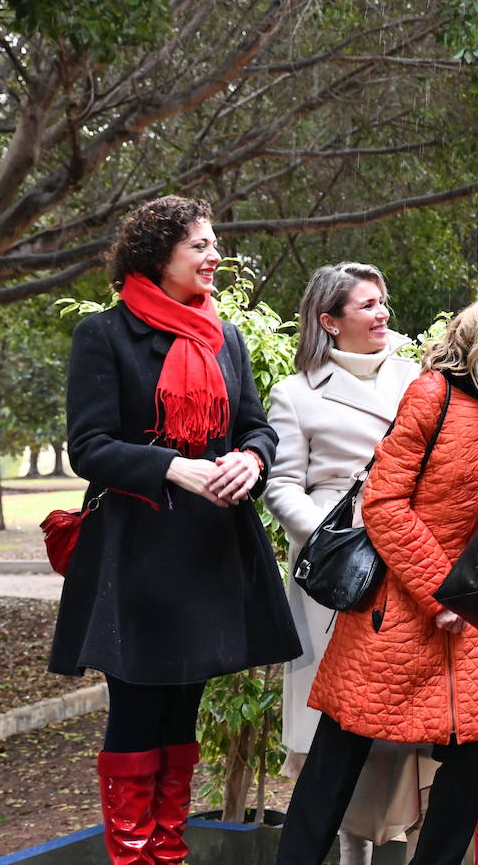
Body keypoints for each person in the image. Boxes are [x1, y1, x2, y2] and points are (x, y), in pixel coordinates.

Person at [48, 196, 301, 865]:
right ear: (158, 255)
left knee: (183, 711)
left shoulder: (225, 336)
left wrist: (251, 458)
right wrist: (174, 469)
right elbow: (89, 447)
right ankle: (133, 855)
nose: (215, 256)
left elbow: (254, 426)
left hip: (209, 549)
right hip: (135, 552)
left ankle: (167, 850)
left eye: (213, 243)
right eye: (200, 245)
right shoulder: (104, 334)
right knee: (136, 711)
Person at [276, 295, 478, 865]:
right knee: (339, 751)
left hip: (477, 615)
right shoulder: (433, 394)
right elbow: (384, 502)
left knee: (473, 756)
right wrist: (438, 590)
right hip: (398, 606)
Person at [264, 263, 428, 864]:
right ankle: (347, 851)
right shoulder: (295, 393)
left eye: (383, 302)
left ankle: (400, 847)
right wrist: (332, 539)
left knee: (401, 721)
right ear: (329, 321)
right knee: (334, 725)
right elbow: (281, 486)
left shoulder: (420, 380)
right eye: (367, 305)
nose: (382, 313)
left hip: (409, 563)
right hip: (338, 575)